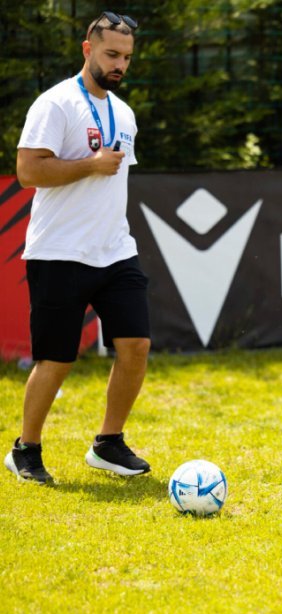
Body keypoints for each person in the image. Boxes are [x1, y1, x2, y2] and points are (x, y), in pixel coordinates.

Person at [4, 12, 150, 484]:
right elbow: (28, 171)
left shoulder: (124, 112)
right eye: (111, 54)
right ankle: (25, 449)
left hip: (115, 249)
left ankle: (108, 443)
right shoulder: (56, 104)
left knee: (136, 346)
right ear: (87, 49)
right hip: (59, 252)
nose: (119, 65)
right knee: (57, 359)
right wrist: (89, 165)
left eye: (126, 57)